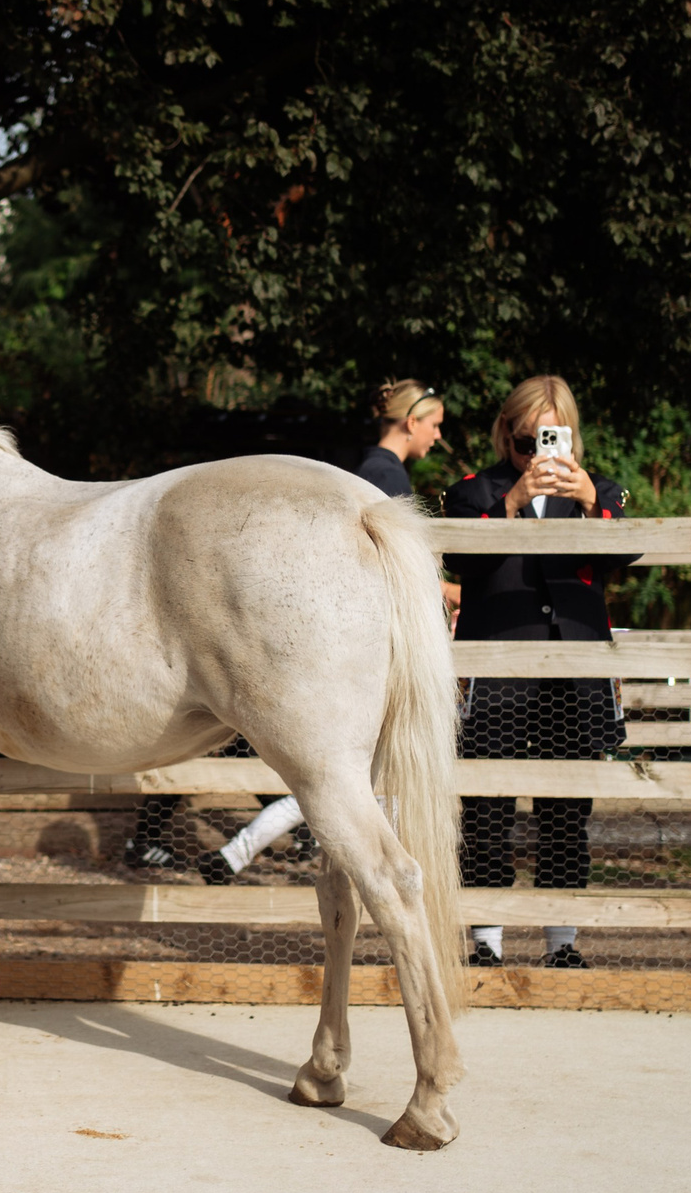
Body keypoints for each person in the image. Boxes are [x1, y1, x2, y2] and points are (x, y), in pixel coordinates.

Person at [137, 377, 461, 881]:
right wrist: (450, 595)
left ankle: (226, 847)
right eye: (435, 424)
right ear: (411, 421)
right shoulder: (383, 475)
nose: (437, 437)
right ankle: (217, 845)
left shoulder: (375, 469)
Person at [445, 375, 638, 969]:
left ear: (572, 435)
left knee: (564, 815)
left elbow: (623, 556)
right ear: (507, 433)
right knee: (486, 813)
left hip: (574, 675)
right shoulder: (473, 491)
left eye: (551, 438)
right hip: (497, 669)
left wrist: (589, 502)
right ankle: (485, 942)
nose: (538, 454)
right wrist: (509, 503)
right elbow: (457, 561)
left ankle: (562, 943)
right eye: (527, 440)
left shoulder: (604, 492)